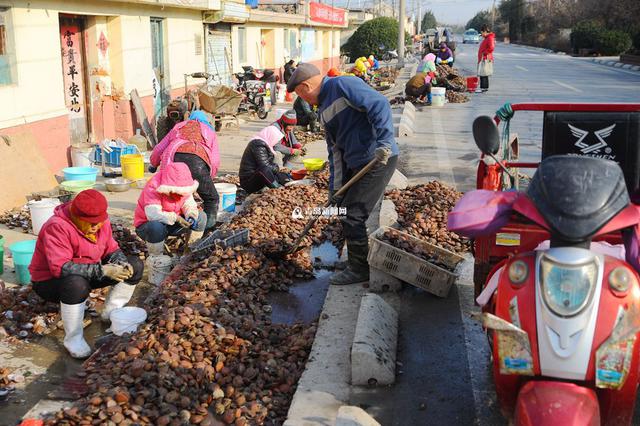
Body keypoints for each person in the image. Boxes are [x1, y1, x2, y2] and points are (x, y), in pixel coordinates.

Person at [286, 63, 399, 286]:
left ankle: (359, 270)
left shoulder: (343, 84)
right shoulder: (323, 110)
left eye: (300, 94)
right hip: (358, 165)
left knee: (353, 215)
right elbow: (335, 152)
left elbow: (379, 104)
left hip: (377, 159)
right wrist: (335, 190)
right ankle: (357, 261)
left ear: (305, 87)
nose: (302, 100)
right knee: (345, 209)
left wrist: (385, 142)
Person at [29, 190, 144, 358]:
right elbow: (60, 268)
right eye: (90, 223)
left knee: (135, 265)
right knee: (77, 284)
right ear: (75, 216)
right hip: (50, 282)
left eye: (98, 222)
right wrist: (103, 270)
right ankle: (73, 339)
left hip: (87, 272)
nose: (95, 226)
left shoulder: (101, 222)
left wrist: (120, 262)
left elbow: (111, 249)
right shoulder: (57, 227)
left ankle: (112, 311)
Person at [150, 111, 220, 234]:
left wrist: (153, 164)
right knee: (211, 199)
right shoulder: (210, 131)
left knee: (171, 197)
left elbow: (159, 148)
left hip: (173, 161)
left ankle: (166, 228)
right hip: (197, 163)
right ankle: (206, 231)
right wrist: (208, 179)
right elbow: (215, 160)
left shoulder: (179, 126)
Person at [135, 162, 206, 256]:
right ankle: (157, 259)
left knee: (201, 217)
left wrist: (191, 215)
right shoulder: (154, 187)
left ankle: (189, 252)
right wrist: (176, 218)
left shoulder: (185, 186)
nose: (181, 195)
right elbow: (153, 215)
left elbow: (189, 203)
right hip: (149, 226)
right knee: (155, 227)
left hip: (173, 223)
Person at [239, 127, 292, 194]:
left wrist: (279, 171)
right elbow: (265, 166)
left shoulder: (264, 145)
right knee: (265, 169)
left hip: (257, 177)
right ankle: (277, 188)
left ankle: (284, 185)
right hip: (248, 182)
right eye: (275, 139)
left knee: (282, 175)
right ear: (271, 136)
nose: (275, 142)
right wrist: (277, 167)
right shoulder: (258, 145)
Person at [478, 24, 495, 92]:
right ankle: (483, 88)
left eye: (482, 32)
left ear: (485, 31)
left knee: (484, 73)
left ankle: (484, 88)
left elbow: (491, 48)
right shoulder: (487, 38)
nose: (481, 34)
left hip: (486, 58)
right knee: (483, 73)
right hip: (483, 57)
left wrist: (484, 52)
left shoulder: (490, 38)